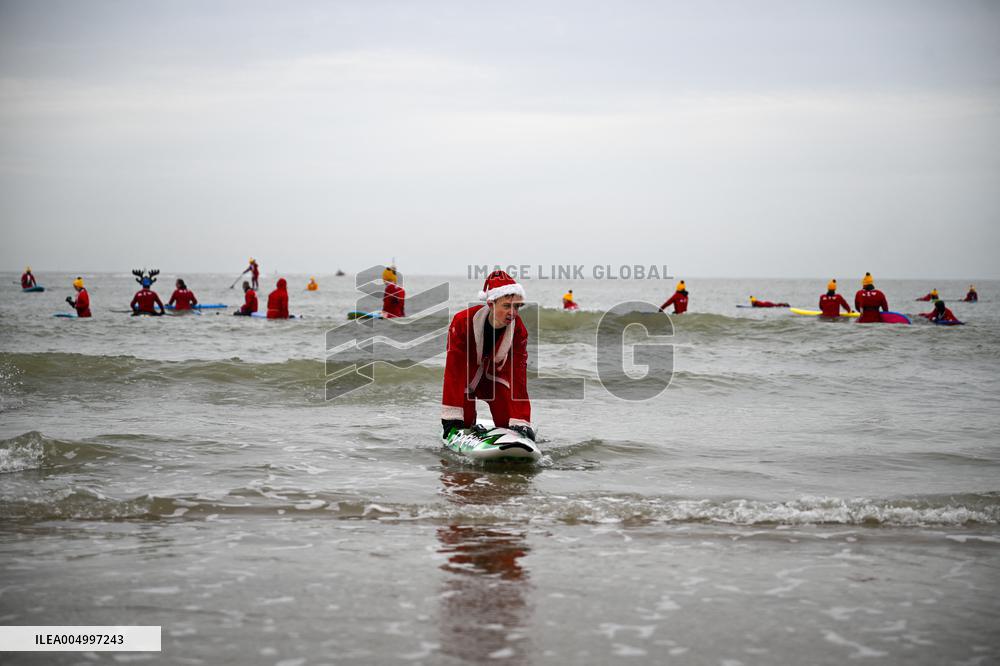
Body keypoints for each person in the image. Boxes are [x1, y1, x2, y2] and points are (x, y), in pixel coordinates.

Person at [440, 270, 533, 441]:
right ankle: (465, 422)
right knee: (463, 422)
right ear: (491, 303)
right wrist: (451, 416)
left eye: (517, 306)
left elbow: (518, 375)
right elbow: (454, 369)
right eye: (507, 306)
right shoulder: (462, 322)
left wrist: (521, 419)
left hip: (495, 379)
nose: (513, 313)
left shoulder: (519, 330)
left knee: (508, 424)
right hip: (466, 378)